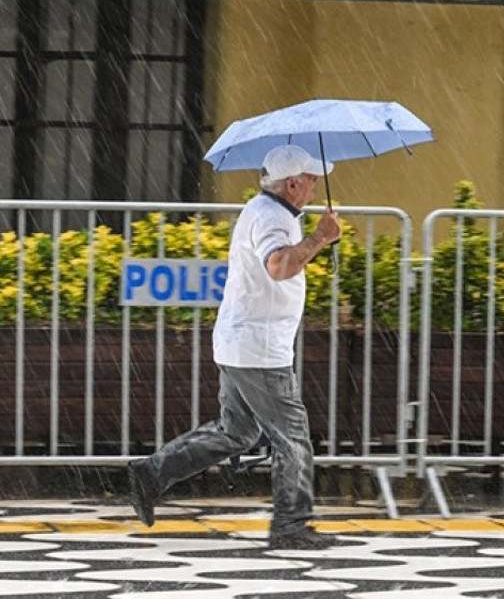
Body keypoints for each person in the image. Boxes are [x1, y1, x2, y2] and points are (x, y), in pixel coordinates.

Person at [128, 144, 343, 550]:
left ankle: (153, 473)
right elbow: (278, 266)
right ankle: (290, 527)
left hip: (243, 342)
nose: (316, 185)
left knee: (237, 433)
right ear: (292, 183)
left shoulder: (269, 212)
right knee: (292, 437)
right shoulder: (270, 217)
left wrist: (314, 236)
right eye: (311, 178)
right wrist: (320, 237)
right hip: (259, 349)